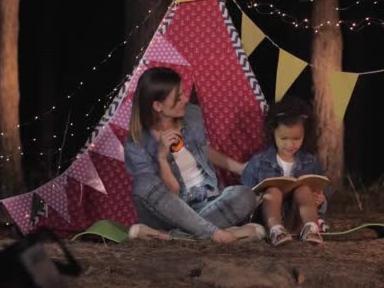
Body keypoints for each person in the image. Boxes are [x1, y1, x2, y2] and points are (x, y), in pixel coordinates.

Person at [124, 67, 263, 243]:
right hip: (169, 212)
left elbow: (203, 150)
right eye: (178, 97)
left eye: (183, 93)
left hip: (206, 203)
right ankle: (217, 234)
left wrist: (239, 168)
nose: (186, 99)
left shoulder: (192, 115)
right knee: (143, 185)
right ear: (158, 106)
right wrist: (161, 159)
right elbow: (170, 195)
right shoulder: (136, 145)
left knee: (245, 195)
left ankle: (170, 237)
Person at [242, 96, 327, 246]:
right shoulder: (259, 161)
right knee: (273, 190)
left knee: (303, 189)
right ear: (273, 133)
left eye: (296, 138)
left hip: (296, 221)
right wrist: (258, 198)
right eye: (284, 138)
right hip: (267, 220)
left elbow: (319, 194)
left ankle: (311, 229)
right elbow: (244, 195)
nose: (290, 144)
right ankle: (277, 231)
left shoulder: (310, 161)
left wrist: (320, 201)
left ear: (304, 135)